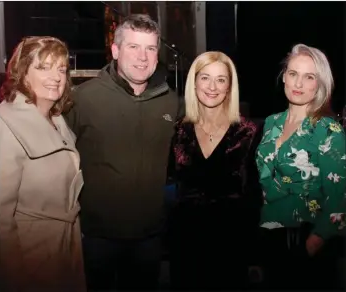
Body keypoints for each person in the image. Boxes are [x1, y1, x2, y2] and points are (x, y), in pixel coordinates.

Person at [65, 14, 181, 291]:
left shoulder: (171, 102)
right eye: (133, 47)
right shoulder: (82, 98)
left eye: (151, 48)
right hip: (95, 236)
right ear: (115, 51)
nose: (143, 57)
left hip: (150, 237)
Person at [166, 51, 263, 290]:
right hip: (185, 247)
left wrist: (254, 257)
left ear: (230, 86)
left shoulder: (249, 133)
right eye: (205, 78)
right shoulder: (179, 131)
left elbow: (255, 198)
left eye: (221, 79)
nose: (212, 87)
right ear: (194, 82)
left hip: (231, 248)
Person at [0, 36, 86, 291]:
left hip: (64, 249)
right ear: (22, 72)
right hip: (31, 257)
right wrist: (14, 276)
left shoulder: (56, 119)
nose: (56, 76)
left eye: (61, 69)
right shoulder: (5, 125)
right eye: (43, 67)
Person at [255, 44, 346, 290]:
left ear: (319, 83)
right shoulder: (272, 122)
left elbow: (340, 200)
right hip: (269, 234)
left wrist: (312, 244)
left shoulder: (328, 130)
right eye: (293, 73)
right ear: (284, 76)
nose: (298, 83)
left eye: (309, 77)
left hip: (307, 239)